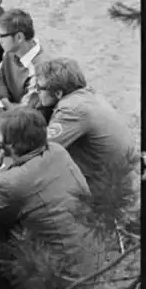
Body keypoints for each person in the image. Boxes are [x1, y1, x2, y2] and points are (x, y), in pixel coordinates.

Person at [0, 107, 93, 279]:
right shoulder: (57, 150)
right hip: (89, 258)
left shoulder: (12, 183)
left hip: (58, 274)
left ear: (10, 146)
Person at [35, 58, 137, 196]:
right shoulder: (88, 96)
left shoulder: (72, 111)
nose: (36, 91)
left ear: (58, 93)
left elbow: (38, 151)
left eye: (39, 88)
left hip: (106, 192)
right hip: (123, 179)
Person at [0, 9, 47, 109]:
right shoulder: (10, 52)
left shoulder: (40, 69)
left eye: (1, 36)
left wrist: (6, 105)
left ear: (19, 37)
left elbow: (26, 108)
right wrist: (4, 99)